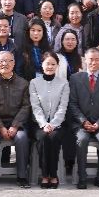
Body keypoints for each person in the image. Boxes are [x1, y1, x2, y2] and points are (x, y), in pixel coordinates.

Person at [0, 51, 31, 189]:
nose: (4, 64)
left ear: (13, 63)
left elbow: (26, 106)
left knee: (22, 138)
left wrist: (15, 126)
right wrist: (0, 127)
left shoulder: (23, 83)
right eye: (1, 61)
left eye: (8, 61)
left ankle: (22, 177)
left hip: (17, 123)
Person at [69, 48, 99, 189]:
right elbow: (73, 104)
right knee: (81, 140)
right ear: (85, 61)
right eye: (91, 59)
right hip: (81, 124)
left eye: (97, 60)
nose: (93, 62)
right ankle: (82, 177)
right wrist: (83, 121)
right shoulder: (75, 78)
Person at [30, 51, 69, 189]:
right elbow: (35, 106)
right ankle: (45, 175)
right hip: (38, 124)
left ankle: (53, 174)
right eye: (47, 64)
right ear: (42, 64)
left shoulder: (64, 83)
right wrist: (43, 124)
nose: (50, 67)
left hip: (58, 124)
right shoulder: (34, 82)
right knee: (43, 138)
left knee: (53, 137)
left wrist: (53, 124)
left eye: (53, 64)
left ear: (57, 66)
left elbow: (63, 107)